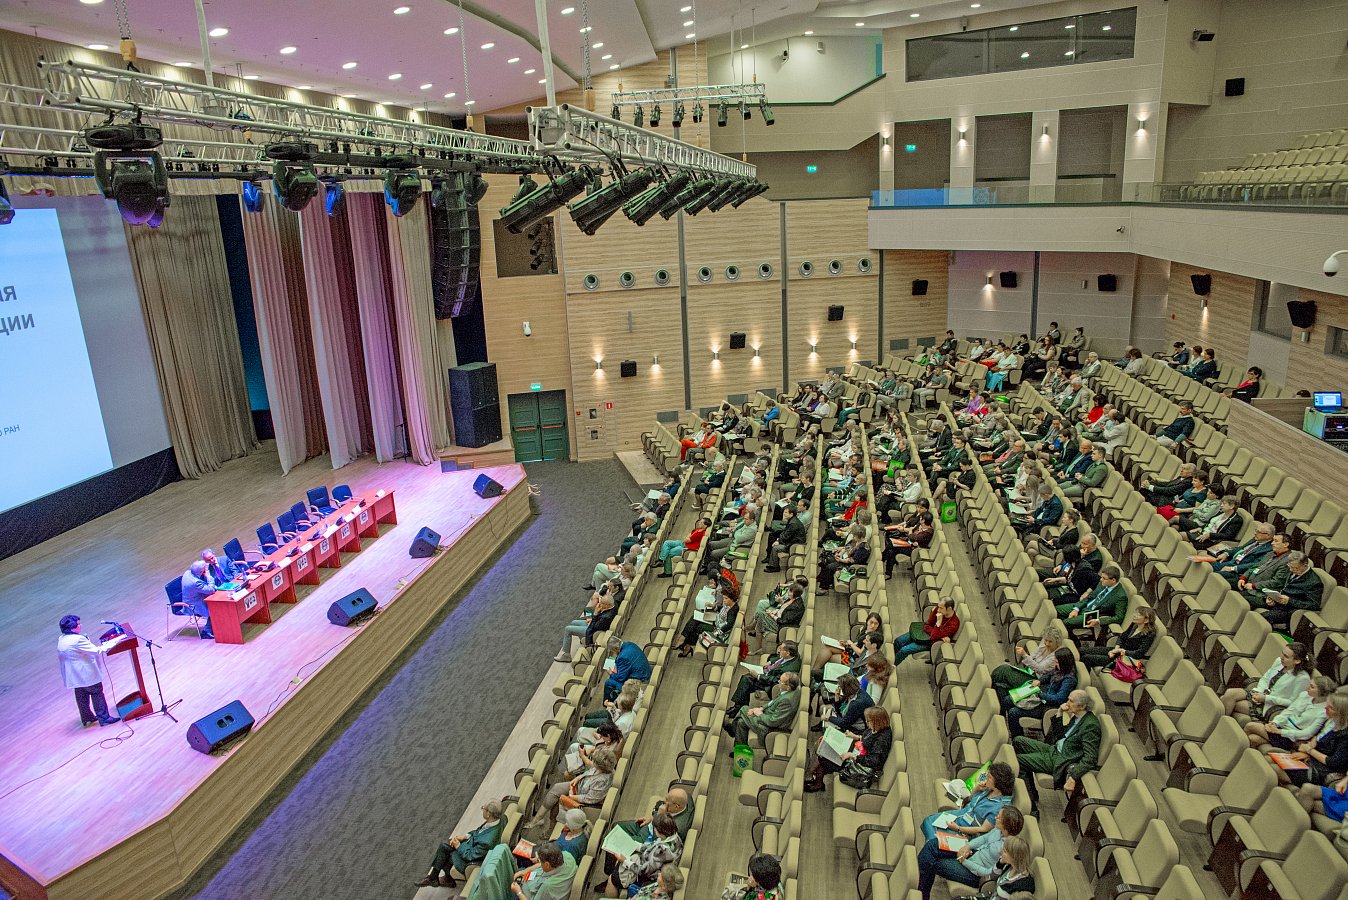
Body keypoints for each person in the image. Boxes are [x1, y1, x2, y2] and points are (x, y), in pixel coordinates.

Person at [1013, 689, 1101, 816]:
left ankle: (1031, 808)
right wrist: (1059, 712)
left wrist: (1073, 777)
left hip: (1061, 759)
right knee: (1018, 741)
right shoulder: (1078, 716)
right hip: (1055, 749)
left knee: (1019, 761)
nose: (1067, 703)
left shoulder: (1090, 726)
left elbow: (1090, 758)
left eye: (1071, 701)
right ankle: (1032, 792)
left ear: (1082, 706)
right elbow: (1061, 735)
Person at [916, 804, 1025, 900]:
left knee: (933, 862)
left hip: (975, 874)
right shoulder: (998, 829)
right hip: (973, 853)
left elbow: (988, 873)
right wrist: (968, 846)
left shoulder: (1008, 849)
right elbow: (984, 839)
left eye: (999, 817)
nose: (995, 817)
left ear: (1006, 825)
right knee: (934, 844)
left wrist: (964, 862)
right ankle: (918, 891)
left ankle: (920, 894)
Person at [416, 799, 505, 888]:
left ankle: (438, 879)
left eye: (483, 808)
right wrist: (465, 836)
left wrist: (458, 846)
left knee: (445, 851)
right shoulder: (498, 820)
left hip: (471, 862)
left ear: (488, 813)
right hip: (474, 847)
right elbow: (479, 832)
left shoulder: (487, 841)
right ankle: (439, 878)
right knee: (446, 844)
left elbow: (470, 856)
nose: (482, 810)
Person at [804, 704, 893, 792]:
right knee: (824, 752)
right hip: (858, 752)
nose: (866, 722)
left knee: (824, 759)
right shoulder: (877, 727)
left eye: (868, 720)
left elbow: (873, 761)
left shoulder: (882, 740)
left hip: (862, 765)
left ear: (877, 721)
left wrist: (852, 756)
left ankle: (817, 782)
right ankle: (817, 781)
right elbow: (869, 739)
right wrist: (856, 737)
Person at [1220, 641, 1312, 724]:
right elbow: (1265, 678)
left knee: (1229, 701)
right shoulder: (1278, 661)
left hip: (1270, 706)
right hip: (1260, 693)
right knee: (1230, 693)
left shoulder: (1303, 678)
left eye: (1286, 656)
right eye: (1282, 653)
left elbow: (1292, 702)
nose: (1281, 657)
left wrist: (1265, 698)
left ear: (1297, 661)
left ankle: (1220, 724)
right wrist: (1259, 692)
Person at [920, 762, 1015, 842]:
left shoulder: (999, 808)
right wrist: (977, 788)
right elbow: (969, 800)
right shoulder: (988, 789)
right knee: (928, 821)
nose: (986, 778)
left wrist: (958, 828)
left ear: (998, 783)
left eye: (989, 777)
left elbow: (983, 830)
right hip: (961, 815)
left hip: (967, 832)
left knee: (934, 841)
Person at [528, 746, 617, 831]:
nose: (592, 761)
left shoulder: (603, 781)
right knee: (556, 788)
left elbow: (590, 798)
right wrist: (577, 778)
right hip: (579, 787)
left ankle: (551, 829)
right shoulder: (604, 768)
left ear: (599, 766)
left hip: (583, 800)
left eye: (594, 762)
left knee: (558, 801)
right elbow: (591, 770)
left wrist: (571, 796)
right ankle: (537, 819)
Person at [56, 615, 122, 728]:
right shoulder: (78, 639)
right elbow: (96, 651)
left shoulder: (61, 639)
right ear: (72, 628)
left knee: (81, 695)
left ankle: (87, 718)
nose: (80, 625)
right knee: (97, 693)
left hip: (74, 674)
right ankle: (104, 718)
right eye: (78, 624)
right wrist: (113, 642)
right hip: (85, 672)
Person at [602, 812, 682, 897]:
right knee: (620, 862)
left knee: (613, 879)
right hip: (648, 863)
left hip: (648, 876)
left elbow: (643, 871)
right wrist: (632, 844)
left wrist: (625, 861)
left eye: (655, 829)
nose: (654, 830)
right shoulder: (674, 836)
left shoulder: (662, 850)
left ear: (661, 832)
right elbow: (650, 847)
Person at [1246, 675, 1333, 751]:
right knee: (1252, 739)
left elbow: (1307, 733)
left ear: (1322, 692)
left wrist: (1280, 732)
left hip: (1291, 736)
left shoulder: (1324, 712)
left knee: (1250, 726)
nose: (1307, 688)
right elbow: (1289, 711)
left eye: (1312, 687)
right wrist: (1275, 723)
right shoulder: (1304, 695)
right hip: (1281, 726)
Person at [1006, 648, 1078, 737]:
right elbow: (1049, 675)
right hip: (1042, 696)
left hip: (1047, 706)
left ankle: (1017, 738)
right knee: (1009, 699)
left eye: (1057, 662)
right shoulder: (1060, 669)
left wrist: (1040, 694)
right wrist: (1039, 681)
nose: (1056, 664)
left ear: (1064, 663)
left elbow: (1059, 699)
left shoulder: (1069, 680)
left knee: (1013, 712)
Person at [723, 671, 802, 747]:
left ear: (788, 687)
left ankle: (732, 730)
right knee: (741, 722)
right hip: (768, 716)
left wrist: (759, 713)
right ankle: (740, 750)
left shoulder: (787, 700)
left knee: (744, 709)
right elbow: (773, 702)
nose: (778, 682)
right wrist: (761, 708)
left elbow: (773, 721)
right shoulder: (792, 690)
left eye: (781, 681)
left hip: (769, 728)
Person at [991, 624, 1066, 701]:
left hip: (1035, 680)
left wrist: (1024, 655)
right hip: (1028, 672)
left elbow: (1040, 669)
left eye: (1050, 642)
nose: (1047, 643)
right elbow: (1033, 656)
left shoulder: (1056, 656)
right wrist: (1027, 657)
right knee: (1000, 684)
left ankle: (988, 686)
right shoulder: (1043, 645)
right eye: (1046, 640)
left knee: (1003, 670)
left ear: (1057, 642)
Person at [729, 640, 801, 712]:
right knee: (747, 678)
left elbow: (775, 680)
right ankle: (739, 707)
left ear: (787, 653)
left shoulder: (789, 669)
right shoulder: (792, 656)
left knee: (747, 679)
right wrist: (770, 662)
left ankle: (738, 708)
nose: (779, 651)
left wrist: (758, 676)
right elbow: (780, 658)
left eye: (781, 649)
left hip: (771, 684)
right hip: (769, 674)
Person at [1258, 552, 1323, 629]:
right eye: (1290, 567)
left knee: (1260, 619)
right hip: (1278, 601)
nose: (1291, 570)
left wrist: (1290, 601)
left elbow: (1313, 605)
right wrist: (1271, 597)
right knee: (1249, 599)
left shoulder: (1314, 582)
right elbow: (1281, 585)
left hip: (1289, 609)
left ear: (1305, 565)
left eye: (1295, 568)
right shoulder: (1292, 570)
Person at [1079, 606, 1156, 670]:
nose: (1134, 615)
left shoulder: (1150, 635)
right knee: (1081, 650)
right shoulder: (1134, 624)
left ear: (1146, 620)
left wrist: (1119, 651)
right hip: (1117, 650)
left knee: (1086, 658)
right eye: (1135, 613)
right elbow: (1122, 636)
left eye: (1138, 615)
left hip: (1124, 659)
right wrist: (1116, 649)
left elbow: (1138, 654)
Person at [1056, 564, 1126, 633]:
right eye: (1101, 577)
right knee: (1057, 610)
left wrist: (1098, 621)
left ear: (1113, 580)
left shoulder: (1121, 596)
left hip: (1091, 615)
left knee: (1065, 622)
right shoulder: (1103, 583)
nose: (1101, 580)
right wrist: (1076, 608)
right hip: (1084, 606)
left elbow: (1119, 618)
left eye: (1104, 578)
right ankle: (1068, 632)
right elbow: (1090, 596)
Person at [675, 582, 739, 656]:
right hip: (715, 620)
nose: (724, 600)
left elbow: (729, 625)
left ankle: (684, 642)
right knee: (694, 617)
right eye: (723, 598)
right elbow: (722, 609)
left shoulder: (733, 611)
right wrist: (713, 606)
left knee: (696, 627)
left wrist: (716, 633)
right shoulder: (729, 604)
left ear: (732, 599)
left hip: (717, 630)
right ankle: (684, 641)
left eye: (726, 598)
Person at [893, 597, 960, 665]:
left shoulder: (953, 624)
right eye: (938, 607)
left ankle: (890, 668)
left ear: (949, 609)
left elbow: (933, 637)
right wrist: (940, 635)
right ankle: (890, 661)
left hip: (930, 642)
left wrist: (938, 623)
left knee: (904, 650)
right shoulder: (938, 610)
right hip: (922, 633)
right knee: (898, 641)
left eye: (941, 608)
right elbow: (927, 625)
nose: (938, 610)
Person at [510, 842, 578, 900]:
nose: (539, 862)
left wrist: (518, 892)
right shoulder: (568, 857)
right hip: (533, 880)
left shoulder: (548, 886)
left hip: (527, 894)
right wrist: (524, 871)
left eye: (540, 861)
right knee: (521, 869)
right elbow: (540, 865)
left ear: (547, 864)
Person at [605, 637, 652, 701]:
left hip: (640, 680)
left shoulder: (623, 657)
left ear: (616, 648)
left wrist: (610, 673)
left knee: (609, 682)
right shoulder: (630, 644)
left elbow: (621, 678)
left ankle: (608, 703)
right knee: (614, 674)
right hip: (645, 672)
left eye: (612, 650)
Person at [179, 560, 217, 639]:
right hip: (194, 605)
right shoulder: (195, 582)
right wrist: (208, 575)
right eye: (205, 568)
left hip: (195, 597)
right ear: (201, 572)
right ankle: (206, 631)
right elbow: (211, 590)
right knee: (215, 609)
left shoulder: (187, 572)